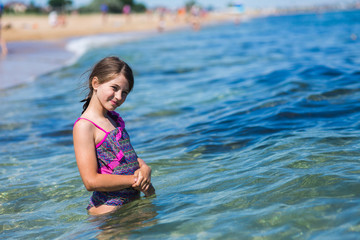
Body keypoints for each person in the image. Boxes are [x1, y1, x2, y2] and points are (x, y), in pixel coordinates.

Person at [73, 56, 155, 215]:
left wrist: (145, 169)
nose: (119, 97)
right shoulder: (84, 126)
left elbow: (124, 159)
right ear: (95, 83)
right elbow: (90, 181)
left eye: (124, 92)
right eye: (114, 88)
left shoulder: (113, 119)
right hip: (109, 215)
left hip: (129, 207)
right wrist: (135, 180)